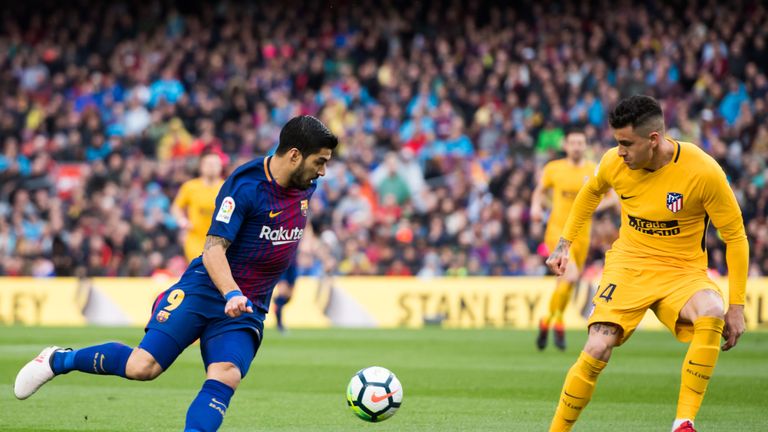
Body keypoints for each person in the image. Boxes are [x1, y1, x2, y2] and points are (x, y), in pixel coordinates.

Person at [14, 116, 338, 432]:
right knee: (142, 367)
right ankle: (58, 360)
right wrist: (231, 292)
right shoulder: (245, 185)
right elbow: (213, 249)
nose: (323, 171)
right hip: (209, 290)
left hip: (247, 306)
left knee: (226, 373)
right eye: (319, 162)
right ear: (294, 155)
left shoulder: (304, 185)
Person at [545, 95, 748, 432]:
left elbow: (736, 237)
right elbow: (590, 192)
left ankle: (683, 423)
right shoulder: (614, 163)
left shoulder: (703, 171)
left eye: (626, 143)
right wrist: (564, 243)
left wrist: (737, 306)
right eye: (616, 143)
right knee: (597, 345)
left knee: (712, 309)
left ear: (654, 140)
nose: (619, 152)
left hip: (682, 271)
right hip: (629, 264)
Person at [530, 129, 610, 350]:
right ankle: (556, 323)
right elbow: (539, 192)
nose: (576, 146)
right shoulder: (554, 168)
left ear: (585, 145)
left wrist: (592, 207)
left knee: (564, 281)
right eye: (572, 142)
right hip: (557, 232)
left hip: (582, 235)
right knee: (571, 274)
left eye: (580, 142)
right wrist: (537, 206)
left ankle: (550, 321)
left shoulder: (594, 170)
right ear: (566, 145)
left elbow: (612, 197)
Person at [171, 150, 225, 262]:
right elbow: (176, 207)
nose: (212, 167)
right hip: (195, 239)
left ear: (220, 167)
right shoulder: (190, 187)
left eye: (215, 164)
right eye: (208, 164)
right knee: (199, 270)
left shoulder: (226, 188)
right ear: (201, 167)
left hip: (219, 241)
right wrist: (182, 220)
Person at [273, 259, 297, 333]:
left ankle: (276, 302)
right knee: (282, 296)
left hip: (292, 267)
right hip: (285, 267)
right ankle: (279, 325)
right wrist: (282, 279)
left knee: (287, 298)